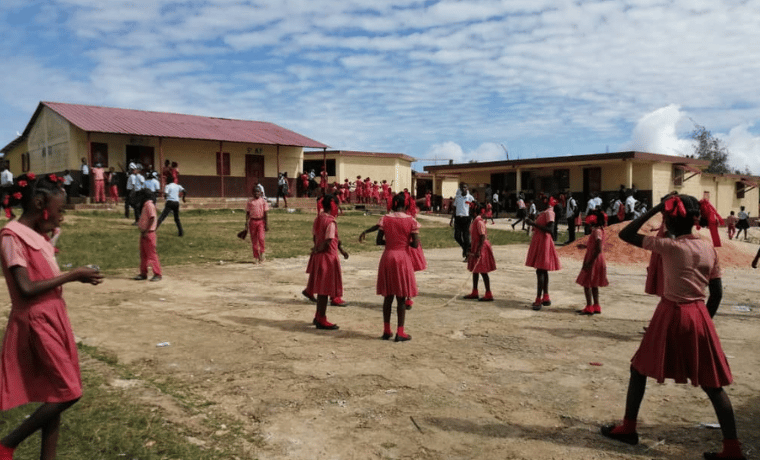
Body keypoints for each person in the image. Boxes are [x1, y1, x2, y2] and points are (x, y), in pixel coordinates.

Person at [603, 194, 745, 460]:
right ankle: (733, 449)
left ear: (668, 220)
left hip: (670, 313)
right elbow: (717, 294)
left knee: (638, 369)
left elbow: (627, 233)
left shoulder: (669, 246)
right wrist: (704, 324)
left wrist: (658, 208)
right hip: (699, 315)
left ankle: (629, 429)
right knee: (713, 384)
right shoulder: (708, 249)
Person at [0, 173, 103, 460]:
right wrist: (73, 275)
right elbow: (26, 287)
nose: (61, 218)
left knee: (55, 395)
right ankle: (7, 444)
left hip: (54, 317)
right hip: (36, 321)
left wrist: (77, 276)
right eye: (58, 211)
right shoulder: (11, 236)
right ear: (38, 202)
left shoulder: (37, 236)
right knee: (69, 392)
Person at [369, 193, 420, 341]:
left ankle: (386, 330)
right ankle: (400, 332)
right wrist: (404, 243)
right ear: (405, 205)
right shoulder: (411, 221)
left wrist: (392, 243)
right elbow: (415, 244)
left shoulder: (385, 219)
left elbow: (379, 240)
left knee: (388, 297)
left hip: (388, 257)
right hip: (402, 257)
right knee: (401, 297)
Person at [305, 195, 348, 330]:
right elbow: (329, 239)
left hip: (318, 256)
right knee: (324, 291)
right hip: (327, 257)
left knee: (321, 290)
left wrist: (316, 249)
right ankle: (321, 318)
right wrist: (320, 248)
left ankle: (318, 315)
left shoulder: (318, 218)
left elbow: (314, 235)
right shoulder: (331, 221)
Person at [525, 197, 561, 310]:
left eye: (539, 201)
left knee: (540, 271)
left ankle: (538, 299)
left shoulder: (549, 213)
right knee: (543, 271)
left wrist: (534, 224)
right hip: (541, 241)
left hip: (544, 242)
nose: (537, 203)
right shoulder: (545, 212)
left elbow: (550, 229)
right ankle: (545, 296)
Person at [576, 210, 608, 315]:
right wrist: (586, 246)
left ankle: (589, 307)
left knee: (587, 283)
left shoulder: (596, 231)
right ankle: (596, 306)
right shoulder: (601, 230)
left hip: (593, 259)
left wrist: (590, 262)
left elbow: (598, 248)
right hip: (599, 258)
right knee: (594, 283)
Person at [463, 203, 496, 301]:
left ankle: (488, 293)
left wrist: (478, 250)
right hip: (475, 246)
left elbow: (482, 236)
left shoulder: (479, 222)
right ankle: (475, 291)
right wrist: (470, 247)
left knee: (483, 270)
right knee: (475, 270)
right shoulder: (475, 221)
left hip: (480, 248)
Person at [133, 189, 161, 281]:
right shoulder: (145, 205)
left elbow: (152, 218)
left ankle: (157, 274)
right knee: (143, 254)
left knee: (151, 255)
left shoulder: (149, 205)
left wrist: (147, 230)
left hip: (148, 233)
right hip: (144, 233)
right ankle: (143, 273)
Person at [239, 185, 269, 263]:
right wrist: (246, 223)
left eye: (258, 192)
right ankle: (256, 256)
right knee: (254, 240)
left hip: (261, 221)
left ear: (260, 193)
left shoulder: (263, 201)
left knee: (261, 238)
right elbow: (247, 213)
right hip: (252, 222)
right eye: (255, 192)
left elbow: (265, 213)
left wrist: (266, 224)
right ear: (252, 193)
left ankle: (262, 253)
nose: (256, 193)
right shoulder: (250, 202)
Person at [449, 183, 475, 260]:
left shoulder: (470, 198)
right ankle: (465, 248)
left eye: (465, 187)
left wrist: (473, 219)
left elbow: (473, 208)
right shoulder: (458, 198)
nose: (463, 189)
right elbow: (454, 209)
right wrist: (451, 219)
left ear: (467, 188)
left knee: (466, 237)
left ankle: (467, 255)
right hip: (458, 218)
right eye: (462, 188)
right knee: (457, 236)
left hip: (466, 219)